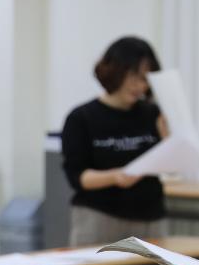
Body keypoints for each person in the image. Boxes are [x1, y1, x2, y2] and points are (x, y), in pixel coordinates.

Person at [61, 36, 171, 247]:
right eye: (133, 76)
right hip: (100, 217)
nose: (139, 86)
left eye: (145, 79)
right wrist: (115, 177)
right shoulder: (82, 117)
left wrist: (169, 138)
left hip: (150, 218)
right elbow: (78, 177)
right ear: (115, 71)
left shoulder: (153, 114)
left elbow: (169, 167)